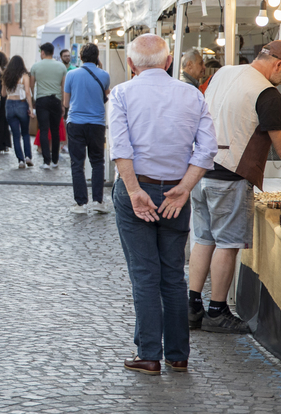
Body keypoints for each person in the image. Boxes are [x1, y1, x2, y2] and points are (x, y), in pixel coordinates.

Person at [109, 34, 217, 375]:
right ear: (168, 62)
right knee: (172, 275)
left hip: (137, 188)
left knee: (145, 274)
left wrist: (134, 190)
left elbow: (120, 147)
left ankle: (150, 354)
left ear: (130, 64)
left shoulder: (123, 93)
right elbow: (207, 148)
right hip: (174, 192)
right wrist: (184, 188)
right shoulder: (191, 94)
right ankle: (177, 354)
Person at [188, 40, 281, 334]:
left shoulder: (223, 73)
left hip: (200, 168)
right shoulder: (267, 94)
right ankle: (217, 310)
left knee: (204, 238)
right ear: (279, 64)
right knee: (227, 243)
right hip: (230, 174)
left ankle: (192, 306)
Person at [63, 43, 111, 214]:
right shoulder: (104, 75)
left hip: (76, 122)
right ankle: (98, 201)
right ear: (97, 57)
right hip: (96, 124)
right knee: (97, 162)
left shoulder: (71, 74)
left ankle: (80, 204)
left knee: (77, 163)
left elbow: (66, 103)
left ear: (81, 57)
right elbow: (105, 96)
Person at [30, 42, 67, 169]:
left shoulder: (35, 66)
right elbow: (63, 87)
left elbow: (31, 86)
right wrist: (63, 104)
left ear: (43, 52)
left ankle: (46, 162)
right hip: (56, 100)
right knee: (55, 130)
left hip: (41, 100)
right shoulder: (61, 67)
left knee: (44, 130)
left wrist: (33, 101)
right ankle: (55, 160)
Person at [1, 55, 34, 168]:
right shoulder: (24, 76)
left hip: (9, 105)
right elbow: (28, 93)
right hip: (21, 104)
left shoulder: (6, 76)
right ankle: (28, 157)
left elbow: (3, 94)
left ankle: (20, 160)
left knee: (15, 134)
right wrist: (31, 108)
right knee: (25, 133)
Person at [0, 51, 12, 156]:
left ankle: (0, 146)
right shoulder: (5, 70)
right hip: (4, 98)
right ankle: (5, 144)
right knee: (4, 122)